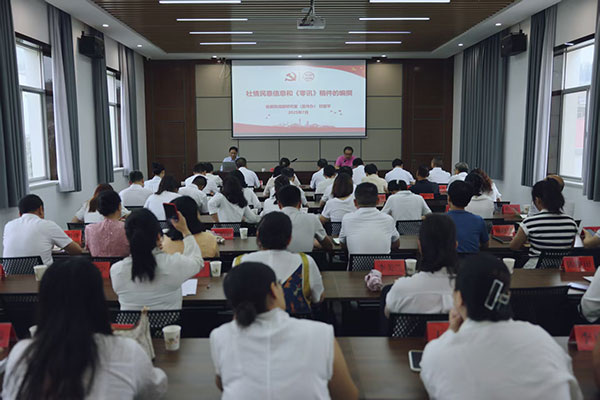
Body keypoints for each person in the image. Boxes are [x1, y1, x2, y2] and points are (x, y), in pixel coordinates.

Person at [420, 254, 582, 400]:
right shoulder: (543, 338)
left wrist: (451, 333)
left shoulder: (436, 354)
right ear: (507, 296)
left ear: (459, 298)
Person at [2, 258, 167, 400]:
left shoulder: (21, 355)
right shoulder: (126, 351)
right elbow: (156, 389)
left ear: (44, 304)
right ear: (98, 301)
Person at [209, 262, 358, 400]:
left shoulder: (220, 336)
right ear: (274, 290)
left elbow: (223, 383)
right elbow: (348, 396)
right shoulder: (321, 333)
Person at [111, 209, 203, 310]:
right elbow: (197, 261)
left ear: (128, 238)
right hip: (170, 321)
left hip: (134, 321)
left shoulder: (116, 271)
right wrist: (185, 231)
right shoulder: (173, 264)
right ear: (158, 236)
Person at [233, 212, 325, 312]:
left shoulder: (240, 263)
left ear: (257, 235)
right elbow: (318, 298)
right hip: (296, 321)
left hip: (253, 322)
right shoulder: (306, 263)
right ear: (289, 239)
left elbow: (236, 300)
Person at [385, 214, 458, 315]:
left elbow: (387, 314)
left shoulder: (401, 288)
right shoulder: (470, 290)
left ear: (419, 246)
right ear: (455, 246)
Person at [510, 179, 578, 268]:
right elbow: (570, 247)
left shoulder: (530, 222)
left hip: (535, 270)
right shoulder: (571, 223)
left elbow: (514, 246)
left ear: (537, 200)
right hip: (559, 270)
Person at [3, 194, 82, 265]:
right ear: (40, 209)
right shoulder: (48, 225)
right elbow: (77, 251)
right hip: (41, 275)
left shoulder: (8, 226)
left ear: (20, 214)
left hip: (10, 275)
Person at [339, 183, 400, 255]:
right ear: (378, 201)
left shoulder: (347, 219)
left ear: (355, 202)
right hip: (382, 262)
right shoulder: (388, 219)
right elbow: (396, 244)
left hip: (356, 262)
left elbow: (343, 244)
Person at [277, 185, 333, 253]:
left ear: (279, 204)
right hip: (306, 259)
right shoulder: (312, 219)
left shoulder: (270, 220)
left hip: (278, 259)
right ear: (300, 204)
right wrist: (312, 242)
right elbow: (328, 246)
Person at [447, 181, 489, 253]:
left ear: (449, 198)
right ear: (469, 200)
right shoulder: (478, 220)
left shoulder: (439, 221)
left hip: (447, 259)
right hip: (472, 259)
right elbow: (485, 245)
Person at [85, 190, 130, 258]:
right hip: (123, 264)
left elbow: (88, 250)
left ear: (99, 209)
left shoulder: (89, 229)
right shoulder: (128, 228)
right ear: (119, 206)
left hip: (97, 265)